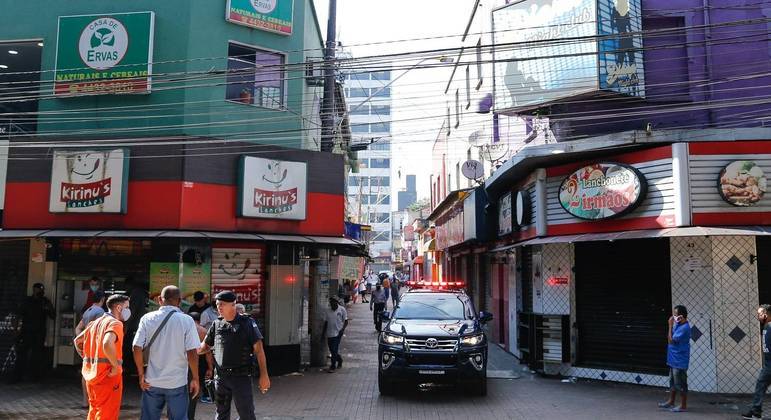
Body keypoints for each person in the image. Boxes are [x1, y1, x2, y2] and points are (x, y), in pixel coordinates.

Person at [132, 286, 201, 420]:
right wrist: (196, 378)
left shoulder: (147, 318)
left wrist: (141, 374)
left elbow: (136, 347)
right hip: (177, 382)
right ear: (179, 301)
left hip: (151, 381)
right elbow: (192, 352)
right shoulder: (186, 320)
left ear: (159, 300)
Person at [199, 291, 271, 420]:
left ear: (233, 305)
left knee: (246, 414)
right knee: (221, 414)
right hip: (221, 378)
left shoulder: (247, 323)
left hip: (240, 378)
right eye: (217, 304)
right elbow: (203, 347)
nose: (219, 307)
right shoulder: (217, 324)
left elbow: (259, 351)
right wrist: (186, 350)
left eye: (222, 304)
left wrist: (264, 375)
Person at [74, 294, 131, 420]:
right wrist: (115, 366)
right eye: (127, 307)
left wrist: (86, 358)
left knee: (94, 410)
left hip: (91, 375)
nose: (128, 310)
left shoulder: (95, 323)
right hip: (107, 375)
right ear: (119, 308)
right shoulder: (115, 324)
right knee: (107, 413)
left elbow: (77, 341)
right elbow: (107, 343)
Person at [11, 282, 55, 383]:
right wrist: (15, 330)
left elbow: (52, 316)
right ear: (34, 290)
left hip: (39, 333)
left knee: (37, 355)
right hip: (26, 332)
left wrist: (49, 307)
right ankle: (17, 376)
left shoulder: (45, 302)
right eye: (38, 290)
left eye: (41, 290)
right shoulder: (27, 301)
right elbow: (18, 315)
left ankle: (34, 377)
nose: (40, 292)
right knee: (22, 354)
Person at [76, 290, 106, 408]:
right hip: (96, 348)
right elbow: (101, 330)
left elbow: (78, 329)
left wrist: (82, 341)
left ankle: (85, 401)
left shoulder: (87, 311)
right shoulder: (101, 312)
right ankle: (95, 400)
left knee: (86, 373)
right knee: (97, 374)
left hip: (87, 348)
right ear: (103, 299)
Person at [658, 305, 691, 413]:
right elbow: (669, 340)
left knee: (680, 383)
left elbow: (671, 340)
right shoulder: (678, 325)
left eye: (676, 314)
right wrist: (672, 326)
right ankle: (671, 401)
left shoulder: (684, 328)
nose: (674, 316)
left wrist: (670, 326)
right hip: (673, 358)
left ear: (681, 316)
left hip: (680, 360)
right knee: (672, 381)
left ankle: (683, 405)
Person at [742, 304, 771, 419]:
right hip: (768, 364)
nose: (758, 316)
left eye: (759, 314)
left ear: (766, 314)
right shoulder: (766, 327)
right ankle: (755, 411)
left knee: (760, 384)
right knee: (761, 385)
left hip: (770, 365)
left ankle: (756, 412)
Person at [188, 312, 215, 418]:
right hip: (198, 365)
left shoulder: (183, 329)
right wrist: (210, 368)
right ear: (199, 320)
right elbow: (208, 353)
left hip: (183, 365)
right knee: (193, 394)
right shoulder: (203, 331)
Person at [323, 297, 348, 373]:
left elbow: (346, 321)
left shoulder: (342, 309)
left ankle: (333, 366)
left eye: (334, 303)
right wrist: (323, 333)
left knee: (334, 349)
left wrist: (342, 329)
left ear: (337, 303)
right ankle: (339, 359)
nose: (332, 304)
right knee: (332, 349)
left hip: (338, 332)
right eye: (331, 303)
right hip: (329, 333)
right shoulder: (327, 310)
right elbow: (326, 322)